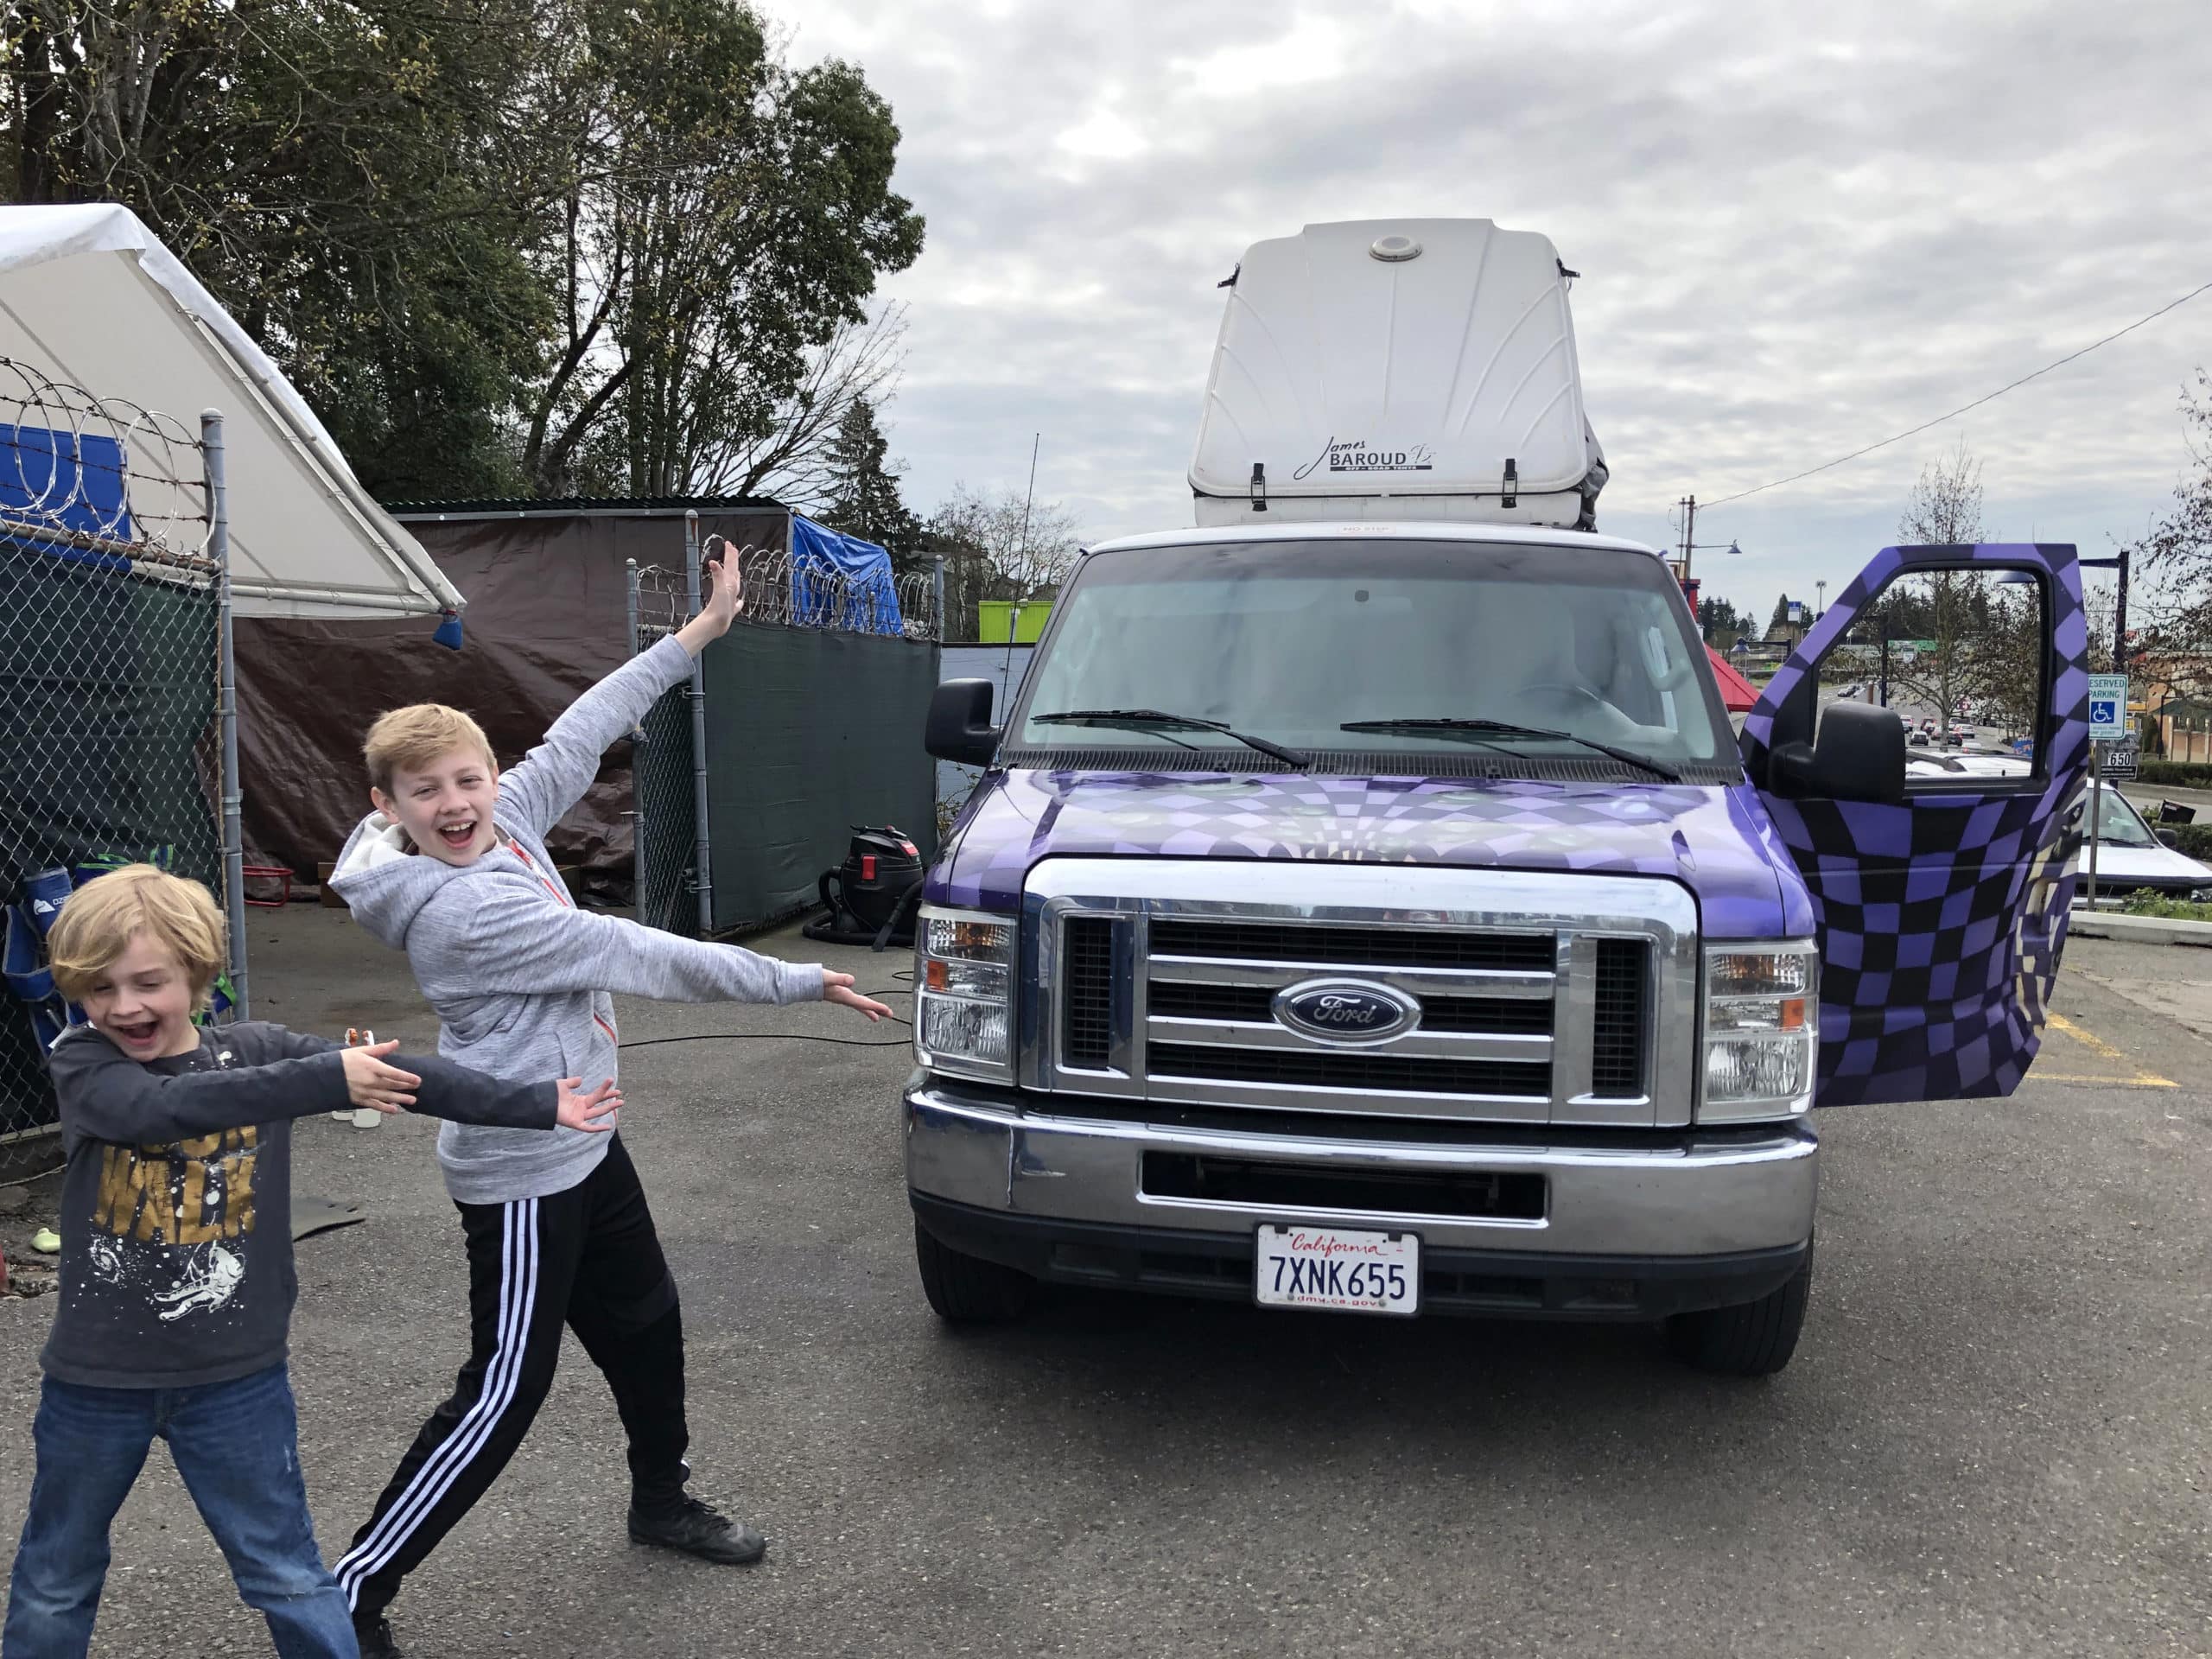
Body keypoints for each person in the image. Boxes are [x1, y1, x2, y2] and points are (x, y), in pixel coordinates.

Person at [327, 556, 889, 1658]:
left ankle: (659, 1499)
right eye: (426, 791)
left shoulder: (505, 824)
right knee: (500, 1394)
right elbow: (632, 951)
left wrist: (697, 637)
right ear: (386, 809)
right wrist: (794, 978)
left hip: (584, 1132)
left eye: (467, 779)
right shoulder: (462, 910)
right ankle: (349, 1589)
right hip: (525, 1159)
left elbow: (580, 732)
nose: (455, 804)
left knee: (646, 1325)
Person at [3, 864, 620, 1659]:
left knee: (287, 1572)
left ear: (198, 972)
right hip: (94, 1384)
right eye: (98, 989)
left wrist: (537, 1102)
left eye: (147, 982)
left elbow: (402, 1074)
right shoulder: (85, 1063)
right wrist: (328, 1077)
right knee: (57, 1573)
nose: (123, 1007)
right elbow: (154, 1111)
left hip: (236, 1382)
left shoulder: (255, 1052)